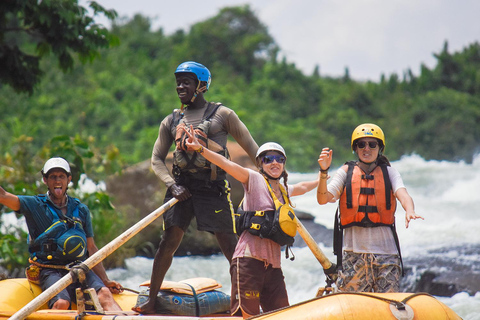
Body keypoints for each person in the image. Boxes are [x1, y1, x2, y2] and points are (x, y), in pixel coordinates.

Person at [133, 61, 259, 314]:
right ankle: (151, 301)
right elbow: (156, 159)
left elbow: (252, 148)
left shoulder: (224, 115)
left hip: (212, 188)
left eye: (186, 82)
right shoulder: (171, 120)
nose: (180, 86)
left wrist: (271, 171)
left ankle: (241, 303)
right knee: (167, 243)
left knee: (229, 246)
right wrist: (172, 185)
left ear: (201, 86)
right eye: (178, 81)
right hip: (181, 188)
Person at [183, 129, 318, 318]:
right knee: (244, 315)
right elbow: (226, 164)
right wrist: (200, 149)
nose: (274, 163)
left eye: (279, 159)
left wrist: (325, 175)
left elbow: (303, 187)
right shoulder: (253, 180)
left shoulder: (284, 189)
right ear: (260, 164)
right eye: (268, 159)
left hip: (273, 267)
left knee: (281, 314)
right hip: (248, 262)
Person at [0, 157, 122, 310]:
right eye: (53, 177)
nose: (57, 181)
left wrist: (105, 279)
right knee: (62, 303)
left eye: (61, 177)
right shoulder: (34, 205)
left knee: (104, 294)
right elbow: (4, 196)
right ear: (45, 180)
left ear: (69, 179)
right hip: (50, 270)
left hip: (79, 268)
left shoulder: (81, 209)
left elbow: (91, 247)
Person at [316, 123, 424, 293]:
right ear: (356, 148)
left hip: (386, 257)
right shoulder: (345, 172)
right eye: (361, 144)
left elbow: (403, 195)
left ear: (379, 148)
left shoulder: (390, 173)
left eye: (372, 144)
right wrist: (323, 172)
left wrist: (409, 210)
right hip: (354, 257)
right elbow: (323, 199)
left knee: (387, 307)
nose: (367, 148)